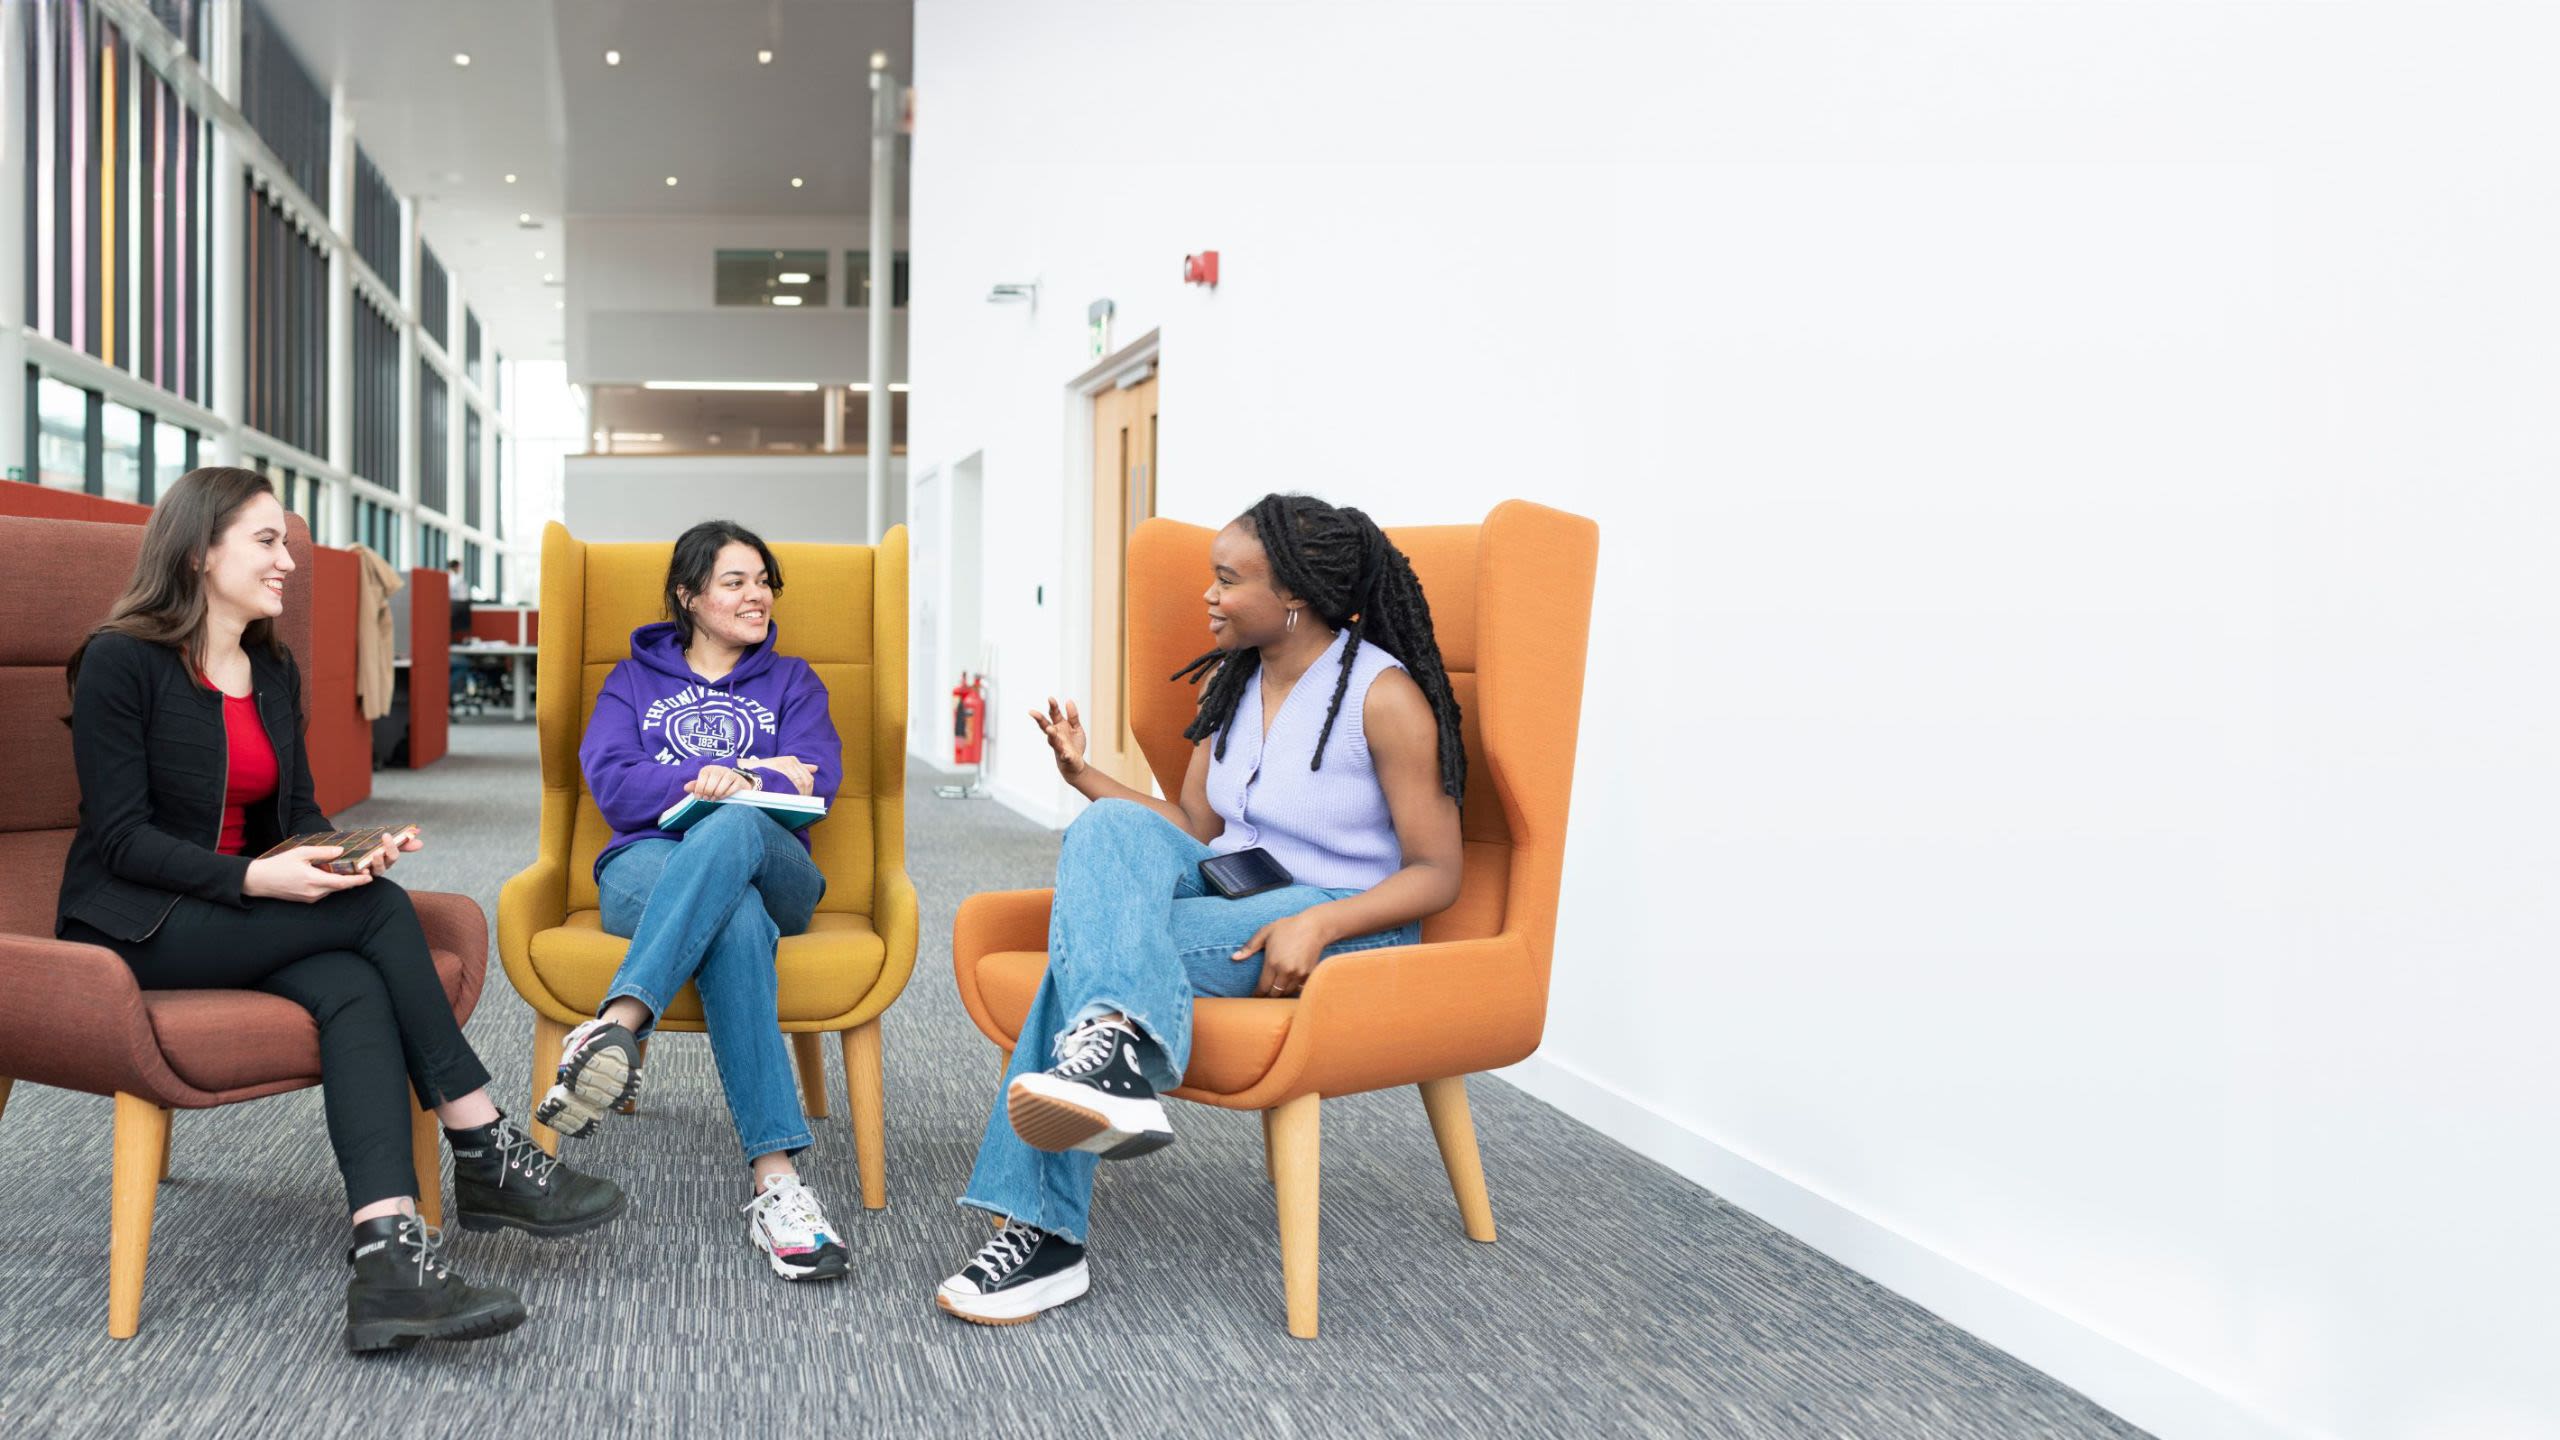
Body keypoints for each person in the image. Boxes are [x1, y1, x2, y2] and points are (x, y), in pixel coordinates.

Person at [56, 467, 625, 1354]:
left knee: (355, 981)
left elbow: (298, 819)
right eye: (268, 540)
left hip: (243, 911)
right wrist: (257, 882)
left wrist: (346, 854)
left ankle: (389, 1262)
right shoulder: (120, 661)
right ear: (201, 550)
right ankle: (483, 1143)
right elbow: (121, 839)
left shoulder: (269, 668)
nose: (290, 560)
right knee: (377, 918)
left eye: (287, 541)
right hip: (134, 924)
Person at [936, 493, 1470, 1325]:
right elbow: (1191, 830)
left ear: (1293, 595)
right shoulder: (1232, 685)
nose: (1209, 597)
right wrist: (1087, 779)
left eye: (1228, 581)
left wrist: (1320, 922)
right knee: (1110, 829)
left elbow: (1439, 872)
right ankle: (1111, 1054)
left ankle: (1046, 1232)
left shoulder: (1384, 698)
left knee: (1088, 958)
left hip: (1344, 921)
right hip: (1237, 890)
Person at [543, 519, 853, 1282]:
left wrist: (744, 786)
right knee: (735, 921)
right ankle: (777, 1183)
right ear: (688, 596)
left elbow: (820, 779)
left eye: (764, 580)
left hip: (777, 866)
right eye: (735, 582)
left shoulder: (794, 681)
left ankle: (618, 1023)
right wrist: (727, 771)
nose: (758, 596)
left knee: (738, 826)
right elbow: (613, 785)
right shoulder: (632, 679)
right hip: (647, 866)